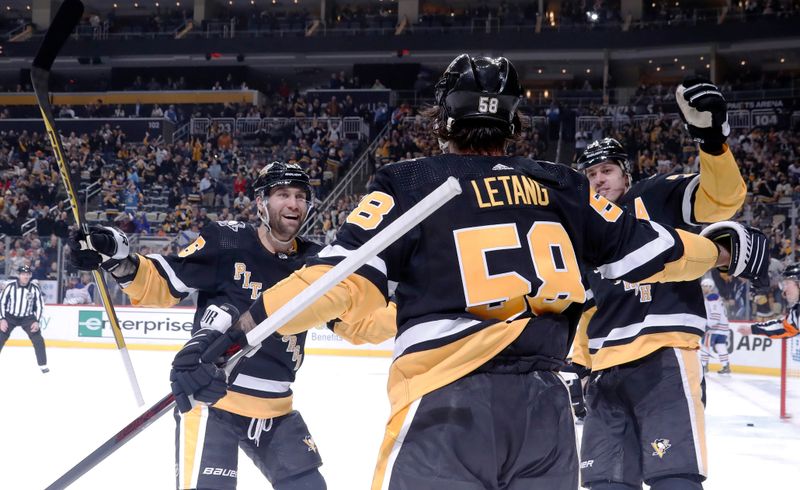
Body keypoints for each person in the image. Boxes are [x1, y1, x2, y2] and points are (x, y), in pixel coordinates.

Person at [165, 54, 767, 490]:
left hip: (445, 412)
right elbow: (660, 254)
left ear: (443, 122)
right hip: (545, 416)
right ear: (514, 124)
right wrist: (720, 251)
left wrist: (228, 340)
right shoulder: (563, 186)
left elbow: (331, 282)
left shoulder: (410, 181)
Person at [69, 162, 333, 490]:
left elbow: (357, 319)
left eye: (300, 196)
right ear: (261, 202)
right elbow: (165, 283)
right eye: (282, 194)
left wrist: (406, 304)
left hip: (277, 408)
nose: (293, 204)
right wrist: (117, 260)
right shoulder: (227, 240)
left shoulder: (319, 262)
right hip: (211, 399)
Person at [571, 77, 750, 490]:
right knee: (604, 483)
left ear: (625, 174)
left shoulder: (654, 195)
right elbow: (586, 305)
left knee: (675, 478)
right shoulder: (583, 232)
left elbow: (720, 200)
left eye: (607, 170)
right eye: (592, 173)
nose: (599, 180)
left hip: (664, 358)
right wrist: (578, 368)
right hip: (604, 374)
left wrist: (712, 142)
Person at [0, 264, 47, 373]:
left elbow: (40, 305)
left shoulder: (35, 288)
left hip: (28, 318)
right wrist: (2, 319)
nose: (25, 276)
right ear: (19, 275)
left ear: (30, 275)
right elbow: (2, 302)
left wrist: (36, 321)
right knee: (0, 337)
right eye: (23, 274)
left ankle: (43, 365)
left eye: (27, 274)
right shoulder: (10, 287)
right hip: (10, 317)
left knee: (38, 340)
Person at [737, 263, 799, 339]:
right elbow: (786, 327)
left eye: (787, 283)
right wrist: (752, 329)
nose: (784, 290)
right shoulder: (796, 311)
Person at [701, 277, 732, 374]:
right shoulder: (716, 297)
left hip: (714, 328)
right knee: (720, 346)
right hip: (723, 327)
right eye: (703, 286)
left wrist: (708, 325)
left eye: (705, 286)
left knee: (705, 346)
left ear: (710, 287)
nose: (703, 288)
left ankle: (704, 366)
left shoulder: (712, 297)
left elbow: (715, 315)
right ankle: (726, 366)